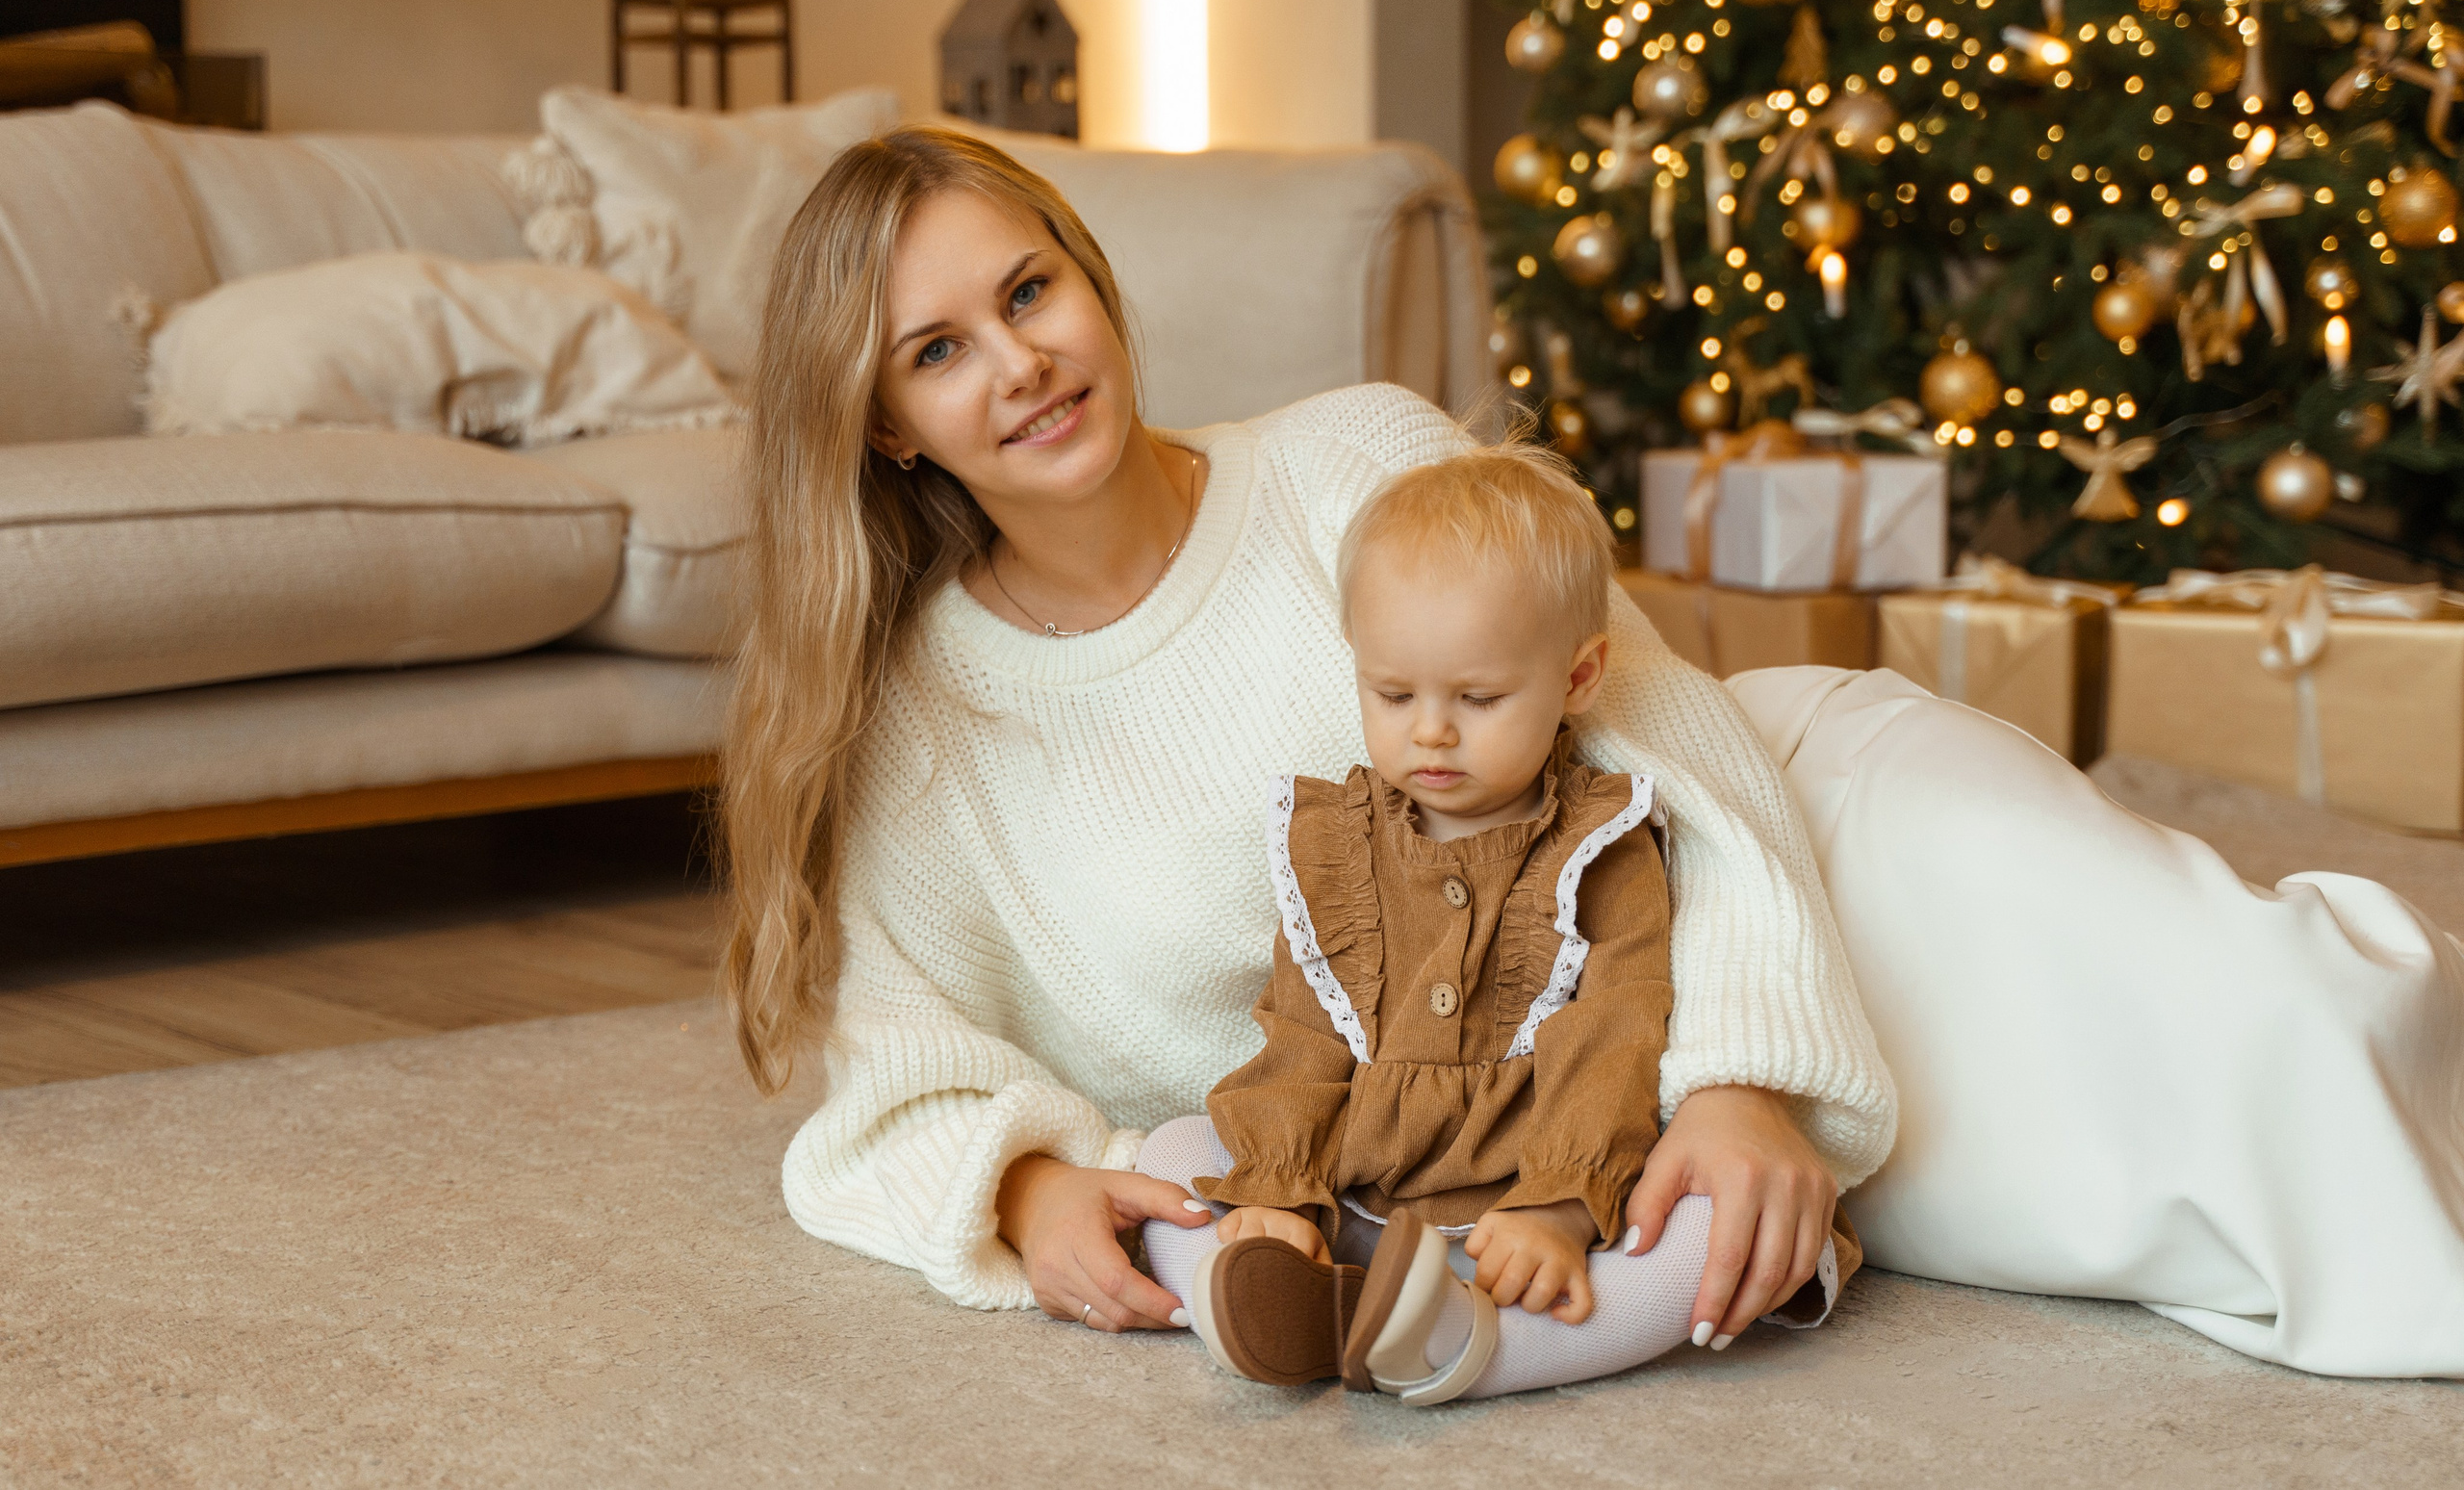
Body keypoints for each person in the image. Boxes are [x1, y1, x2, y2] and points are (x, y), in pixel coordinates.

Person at [721, 124, 1895, 1391]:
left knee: (1749, 1196)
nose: (1022, 362)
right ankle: (1344, 1310)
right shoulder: (925, 718)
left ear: (1090, 277)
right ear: (888, 424)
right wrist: (1026, 1188)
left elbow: (1673, 747)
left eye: (1029, 291)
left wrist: (1739, 1080)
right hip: (1292, 1177)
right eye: (939, 351)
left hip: (1575, 1110)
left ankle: (1479, 1332)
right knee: (1173, 1168)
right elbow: (892, 1076)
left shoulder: (1362, 461)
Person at [1147, 445, 1861, 1404]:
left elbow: (1612, 1035)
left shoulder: (1603, 844)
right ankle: (1292, 1298)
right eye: (1392, 693)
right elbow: (1302, 1033)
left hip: (1537, 1214)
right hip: (1358, 1199)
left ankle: (1478, 1346)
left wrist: (1560, 1208)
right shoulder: (1328, 846)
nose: (1430, 730)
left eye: (1477, 698)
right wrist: (1275, 1190)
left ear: (1577, 677)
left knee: (1701, 1225)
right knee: (1174, 1154)